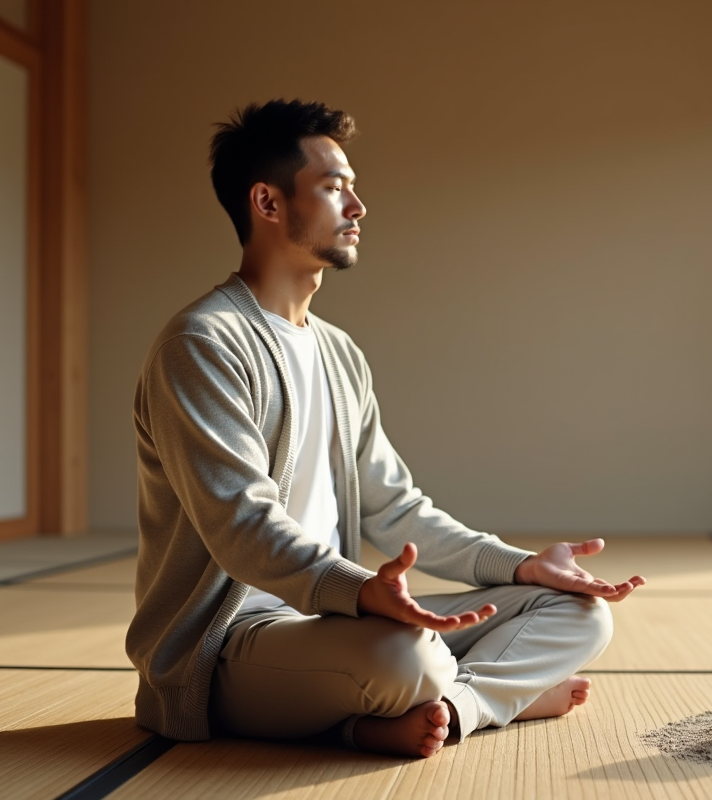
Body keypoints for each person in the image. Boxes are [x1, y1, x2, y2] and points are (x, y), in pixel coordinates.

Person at [126, 99, 644, 759]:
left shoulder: (338, 352)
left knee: (578, 613)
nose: (358, 206)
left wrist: (523, 566)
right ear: (268, 202)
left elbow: (395, 508)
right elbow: (240, 527)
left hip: (335, 626)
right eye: (335, 187)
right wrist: (363, 592)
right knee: (409, 658)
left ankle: (458, 709)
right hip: (227, 646)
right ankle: (481, 696)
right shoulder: (202, 343)